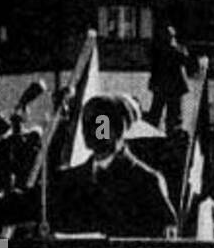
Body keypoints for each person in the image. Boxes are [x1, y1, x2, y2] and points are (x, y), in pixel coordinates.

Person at [51, 94, 177, 238]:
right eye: (87, 122)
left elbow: (165, 236)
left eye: (100, 124)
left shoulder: (146, 181)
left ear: (118, 129)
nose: (91, 130)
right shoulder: (70, 180)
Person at [146, 24, 189, 134]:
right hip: (170, 86)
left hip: (165, 86)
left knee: (161, 113)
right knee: (168, 114)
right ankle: (164, 132)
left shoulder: (159, 50)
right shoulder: (170, 50)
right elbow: (183, 58)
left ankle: (156, 132)